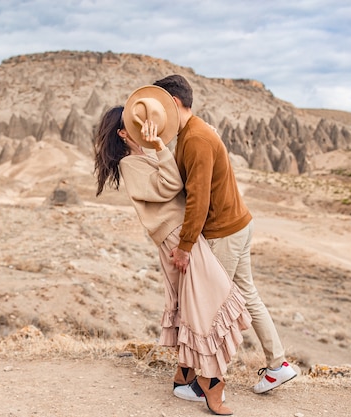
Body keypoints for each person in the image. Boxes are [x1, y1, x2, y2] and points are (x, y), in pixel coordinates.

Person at [94, 85, 252, 416]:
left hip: (181, 236)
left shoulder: (143, 157)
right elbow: (172, 186)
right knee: (208, 304)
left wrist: (155, 149)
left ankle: (183, 380)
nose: (142, 129)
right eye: (133, 126)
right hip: (176, 238)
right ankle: (211, 384)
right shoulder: (129, 165)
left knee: (192, 304)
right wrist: (158, 147)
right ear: (122, 133)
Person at [152, 74, 298, 395]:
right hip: (238, 224)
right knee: (246, 295)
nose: (158, 115)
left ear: (175, 103)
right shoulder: (195, 132)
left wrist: (185, 246)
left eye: (162, 107)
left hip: (223, 232)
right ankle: (277, 366)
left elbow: (198, 199)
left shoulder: (196, 139)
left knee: (211, 308)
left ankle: (208, 383)